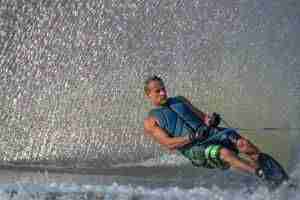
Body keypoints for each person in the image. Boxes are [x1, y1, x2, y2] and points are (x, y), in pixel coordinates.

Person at [143, 75, 266, 179]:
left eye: (163, 89)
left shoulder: (180, 100)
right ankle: (260, 174)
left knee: (243, 143)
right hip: (194, 148)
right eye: (157, 91)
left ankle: (265, 165)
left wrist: (211, 120)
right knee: (225, 153)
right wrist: (192, 137)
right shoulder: (151, 121)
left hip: (210, 133)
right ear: (149, 94)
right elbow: (168, 144)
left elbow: (203, 118)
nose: (163, 93)